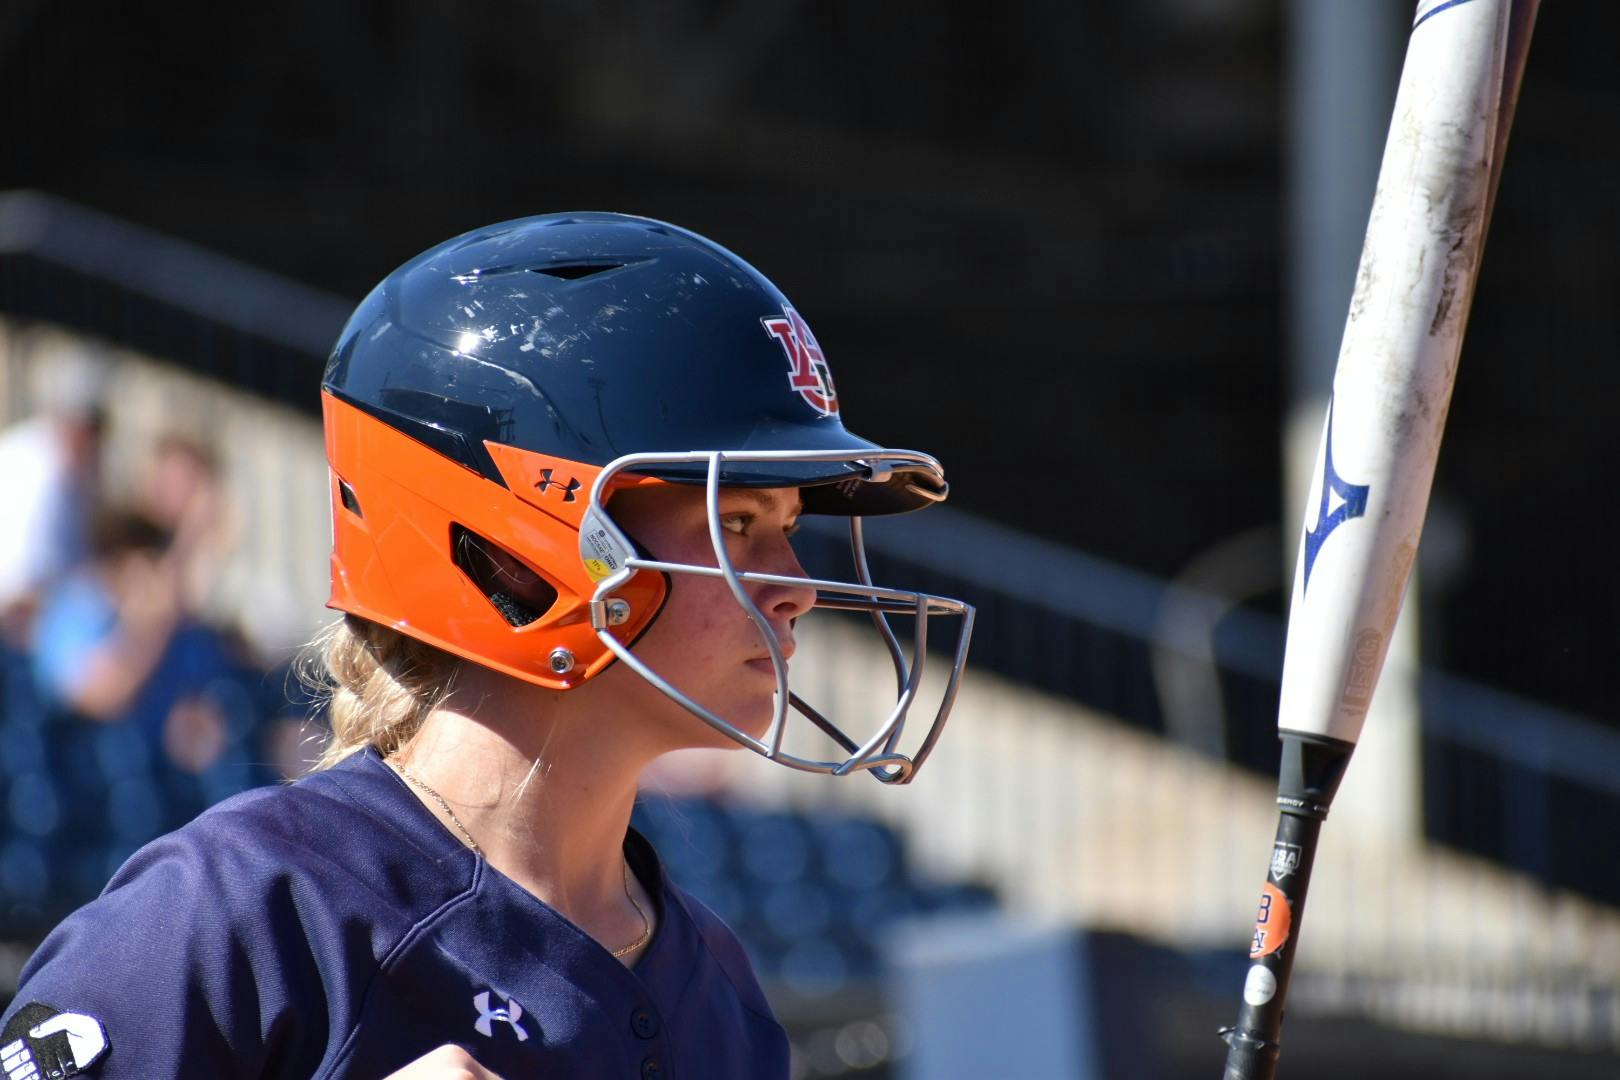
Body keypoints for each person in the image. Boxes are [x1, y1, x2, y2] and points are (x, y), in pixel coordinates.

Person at [0, 213, 975, 1078]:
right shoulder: (238, 918)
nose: (797, 583)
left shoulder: (719, 988)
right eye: (740, 520)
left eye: (790, 523)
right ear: (516, 544)